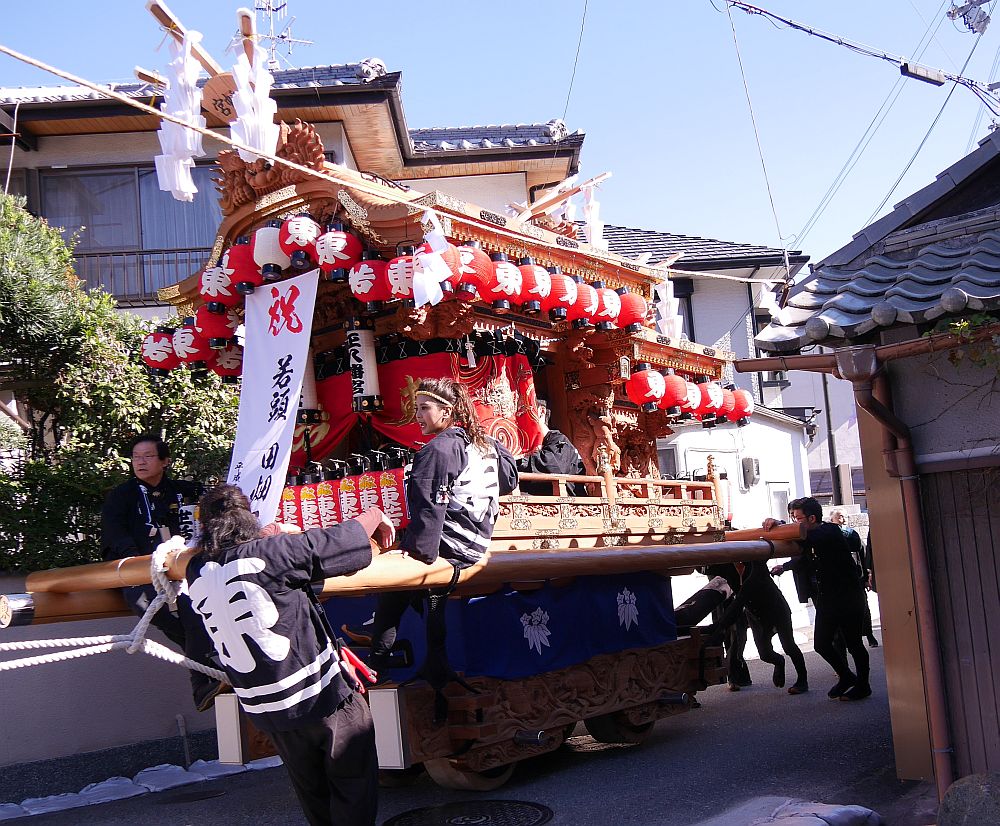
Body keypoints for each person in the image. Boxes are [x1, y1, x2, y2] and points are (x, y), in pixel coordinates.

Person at [180, 484, 394, 826]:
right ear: (249, 518)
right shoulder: (274, 553)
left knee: (314, 796)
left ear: (204, 526)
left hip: (270, 712)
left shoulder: (195, 570)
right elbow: (343, 539)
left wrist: (272, 533)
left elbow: (240, 556)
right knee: (353, 788)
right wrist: (376, 514)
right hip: (323, 698)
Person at [367, 378, 518, 718]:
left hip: (453, 545)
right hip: (478, 540)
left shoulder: (438, 449)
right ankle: (423, 659)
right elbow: (509, 480)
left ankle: (378, 666)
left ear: (447, 411)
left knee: (391, 586)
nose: (417, 416)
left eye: (424, 408)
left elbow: (428, 506)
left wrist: (419, 555)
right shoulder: (483, 442)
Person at [100, 434, 221, 711]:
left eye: (148, 456)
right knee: (153, 610)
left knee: (194, 612)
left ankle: (202, 682)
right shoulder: (121, 496)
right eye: (136, 457)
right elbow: (115, 534)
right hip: (140, 571)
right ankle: (207, 667)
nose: (140, 462)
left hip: (184, 569)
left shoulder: (186, 491)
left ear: (165, 461)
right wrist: (140, 560)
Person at [766, 497, 872, 701]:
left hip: (849, 598)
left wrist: (779, 525)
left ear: (812, 518)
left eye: (798, 519)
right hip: (828, 600)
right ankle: (846, 676)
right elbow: (804, 558)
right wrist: (784, 567)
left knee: (854, 644)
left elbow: (804, 541)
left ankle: (863, 685)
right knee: (821, 644)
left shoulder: (829, 532)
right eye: (793, 518)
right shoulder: (814, 535)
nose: (795, 522)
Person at [713, 559, 809, 695]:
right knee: (765, 654)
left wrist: (720, 626)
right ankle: (779, 662)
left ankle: (802, 681)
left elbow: (740, 599)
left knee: (789, 646)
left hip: (777, 610)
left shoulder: (756, 564)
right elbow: (704, 568)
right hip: (756, 615)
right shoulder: (726, 568)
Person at [830, 509, 878, 648]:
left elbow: (863, 554)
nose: (843, 519)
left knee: (863, 608)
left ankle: (869, 635)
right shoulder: (829, 536)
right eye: (840, 517)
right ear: (832, 519)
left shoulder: (852, 534)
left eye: (845, 516)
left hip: (856, 578)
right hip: (839, 581)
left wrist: (867, 576)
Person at [517, 399, 586, 496]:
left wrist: (516, 461)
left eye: (523, 411)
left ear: (541, 412)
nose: (518, 416)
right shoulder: (521, 446)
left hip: (566, 502)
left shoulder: (559, 440)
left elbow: (553, 467)